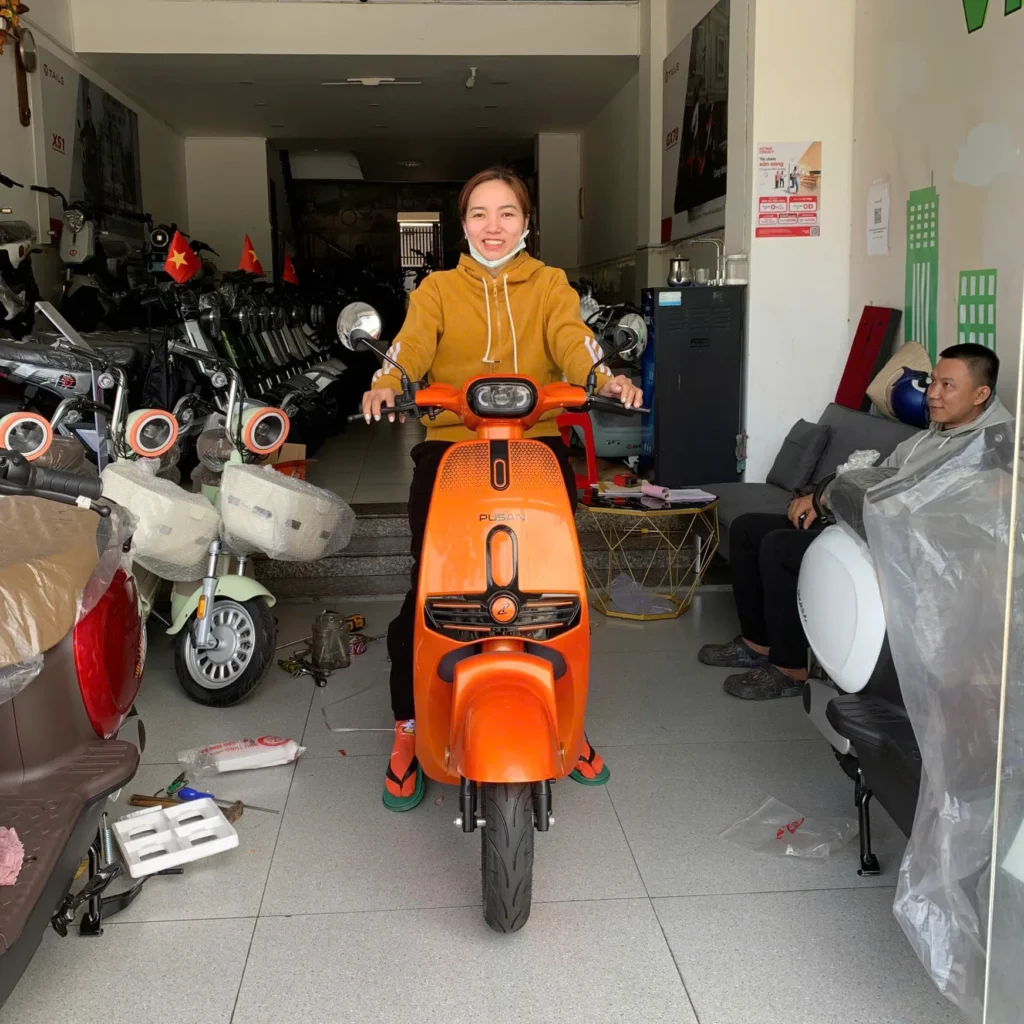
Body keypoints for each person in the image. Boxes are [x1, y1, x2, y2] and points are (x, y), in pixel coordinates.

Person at [360, 167, 643, 811]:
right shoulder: (436, 289)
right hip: (451, 449)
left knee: (557, 589)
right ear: (463, 225)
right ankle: (409, 726)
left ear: (526, 222)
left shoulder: (550, 284)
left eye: (507, 213)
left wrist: (603, 376)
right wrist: (387, 380)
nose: (494, 227)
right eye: (480, 214)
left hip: (535, 449)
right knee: (427, 589)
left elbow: (573, 340)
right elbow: (409, 346)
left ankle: (565, 720)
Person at [699, 343, 1009, 700]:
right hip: (867, 525)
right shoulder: (933, 434)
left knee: (779, 547)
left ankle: (790, 668)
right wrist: (823, 496)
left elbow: (946, 516)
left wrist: (841, 502)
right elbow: (878, 477)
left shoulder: (991, 447)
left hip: (902, 550)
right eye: (933, 382)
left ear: (980, 395)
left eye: (947, 386)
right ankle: (758, 645)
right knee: (749, 529)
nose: (933, 394)